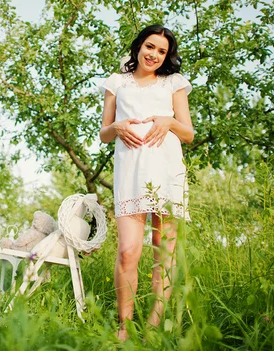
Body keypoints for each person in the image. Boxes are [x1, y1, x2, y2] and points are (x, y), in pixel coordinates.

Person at [98, 24, 194, 341]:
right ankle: (124, 328)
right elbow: (104, 133)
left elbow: (189, 133)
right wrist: (118, 127)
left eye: (162, 51)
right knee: (127, 251)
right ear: (139, 46)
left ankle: (154, 327)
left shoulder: (173, 84)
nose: (154, 54)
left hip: (166, 171)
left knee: (163, 253)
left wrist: (168, 121)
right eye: (150, 46)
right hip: (131, 172)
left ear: (167, 56)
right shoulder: (117, 83)